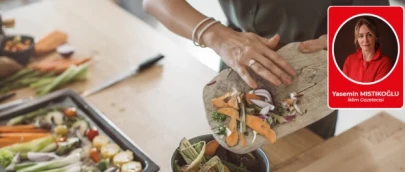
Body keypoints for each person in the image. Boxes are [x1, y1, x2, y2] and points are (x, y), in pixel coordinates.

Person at [143, 0, 389, 139]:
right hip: (236, 74)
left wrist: (351, 47)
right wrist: (217, 36)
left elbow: (383, 27)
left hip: (311, 85)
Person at [343, 16, 392, 82]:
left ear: (375, 37)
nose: (365, 40)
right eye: (361, 36)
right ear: (357, 39)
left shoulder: (385, 63)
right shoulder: (349, 60)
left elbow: (375, 91)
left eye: (369, 35)